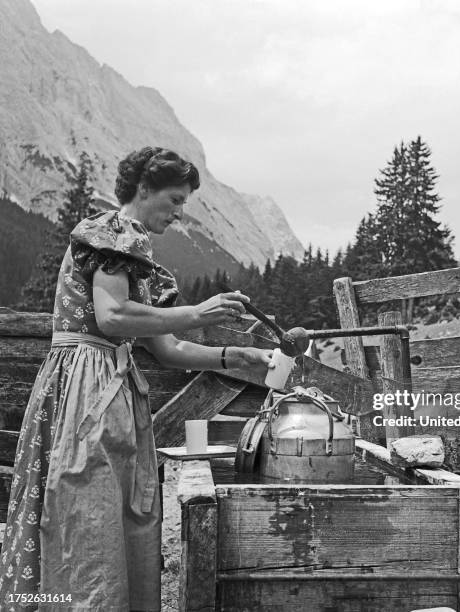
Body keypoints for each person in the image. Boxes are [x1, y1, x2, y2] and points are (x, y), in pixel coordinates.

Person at [0, 146, 273, 611]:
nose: (179, 213)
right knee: (84, 511)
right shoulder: (115, 232)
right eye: (174, 199)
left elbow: (170, 350)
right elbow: (111, 317)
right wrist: (197, 311)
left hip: (110, 387)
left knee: (108, 516)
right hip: (87, 386)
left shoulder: (134, 254)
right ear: (144, 189)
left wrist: (236, 355)